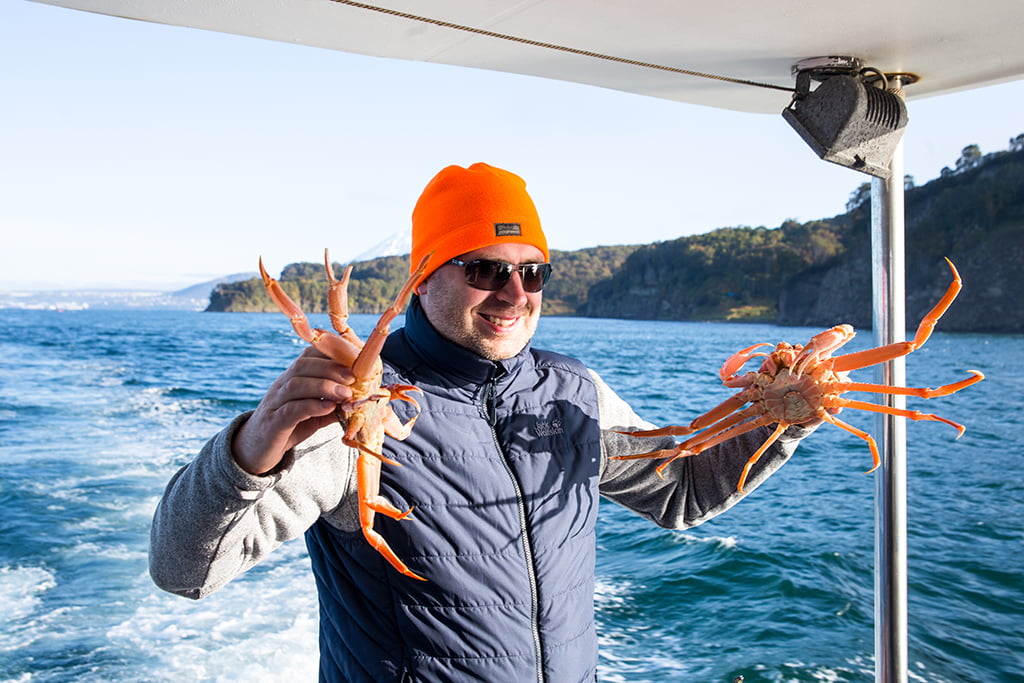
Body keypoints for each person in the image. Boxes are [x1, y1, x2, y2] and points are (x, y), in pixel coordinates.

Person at [150, 162, 818, 682]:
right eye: (485, 269)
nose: (515, 293)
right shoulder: (354, 405)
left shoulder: (574, 392)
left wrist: (783, 416)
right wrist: (249, 448)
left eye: (533, 272)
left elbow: (682, 490)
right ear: (421, 278)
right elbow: (184, 570)